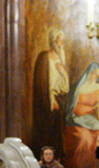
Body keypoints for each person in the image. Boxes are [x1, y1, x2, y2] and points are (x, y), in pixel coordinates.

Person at [32, 28, 69, 159]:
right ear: (53, 41)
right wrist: (50, 100)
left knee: (57, 133)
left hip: (58, 100)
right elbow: (41, 84)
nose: (62, 43)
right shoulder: (44, 57)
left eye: (63, 40)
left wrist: (63, 73)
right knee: (47, 131)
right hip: (46, 101)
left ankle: (56, 159)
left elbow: (65, 88)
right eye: (59, 40)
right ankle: (44, 159)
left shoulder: (59, 60)